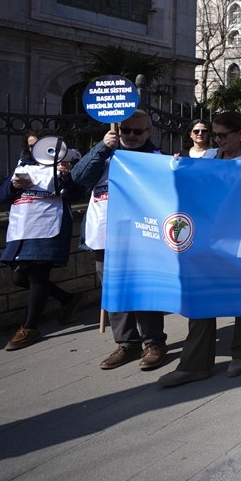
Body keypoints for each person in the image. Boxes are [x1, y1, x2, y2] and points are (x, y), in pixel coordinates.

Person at [160, 111, 241, 387]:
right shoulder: (207, 158)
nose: (217, 140)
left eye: (223, 135)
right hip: (207, 240)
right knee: (200, 298)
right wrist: (177, 168)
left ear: (240, 134)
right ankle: (195, 364)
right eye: (214, 134)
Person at [71, 110, 169, 371]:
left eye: (138, 131)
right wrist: (102, 147)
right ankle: (127, 344)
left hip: (141, 238)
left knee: (144, 290)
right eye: (126, 130)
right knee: (114, 291)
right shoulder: (104, 154)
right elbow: (78, 178)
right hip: (104, 235)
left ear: (149, 132)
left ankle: (154, 342)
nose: (132, 136)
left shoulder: (157, 159)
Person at [0, 134, 85, 350]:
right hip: (23, 229)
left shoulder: (65, 166)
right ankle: (67, 299)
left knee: (38, 274)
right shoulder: (23, 166)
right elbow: (0, 195)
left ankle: (29, 327)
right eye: (30, 146)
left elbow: (77, 193)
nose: (34, 149)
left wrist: (66, 177)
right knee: (19, 278)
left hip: (48, 226)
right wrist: (14, 186)